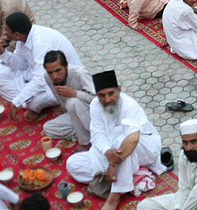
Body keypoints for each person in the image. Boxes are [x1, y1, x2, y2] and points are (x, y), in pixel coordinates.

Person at [65, 71, 166, 210]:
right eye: (102, 95)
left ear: (119, 90)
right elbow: (97, 135)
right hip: (114, 153)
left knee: (123, 141)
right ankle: (131, 174)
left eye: (111, 94)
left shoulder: (129, 105)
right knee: (73, 164)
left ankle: (115, 195)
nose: (107, 100)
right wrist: (107, 152)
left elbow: (133, 138)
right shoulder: (95, 105)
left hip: (143, 148)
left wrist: (112, 164)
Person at [0, 11, 82, 119]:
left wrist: (16, 102)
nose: (5, 34)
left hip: (61, 82)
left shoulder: (40, 43)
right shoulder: (23, 37)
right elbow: (20, 65)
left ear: (16, 34)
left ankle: (28, 102)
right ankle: (26, 97)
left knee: (36, 102)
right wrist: (3, 52)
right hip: (36, 73)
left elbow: (41, 79)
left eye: (7, 31)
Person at [41, 50, 94, 148]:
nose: (54, 76)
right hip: (73, 115)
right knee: (48, 128)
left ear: (66, 66)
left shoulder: (80, 73)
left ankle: (85, 142)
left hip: (93, 115)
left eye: (58, 70)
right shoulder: (47, 77)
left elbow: (98, 98)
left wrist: (74, 93)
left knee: (72, 102)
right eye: (50, 72)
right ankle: (83, 133)